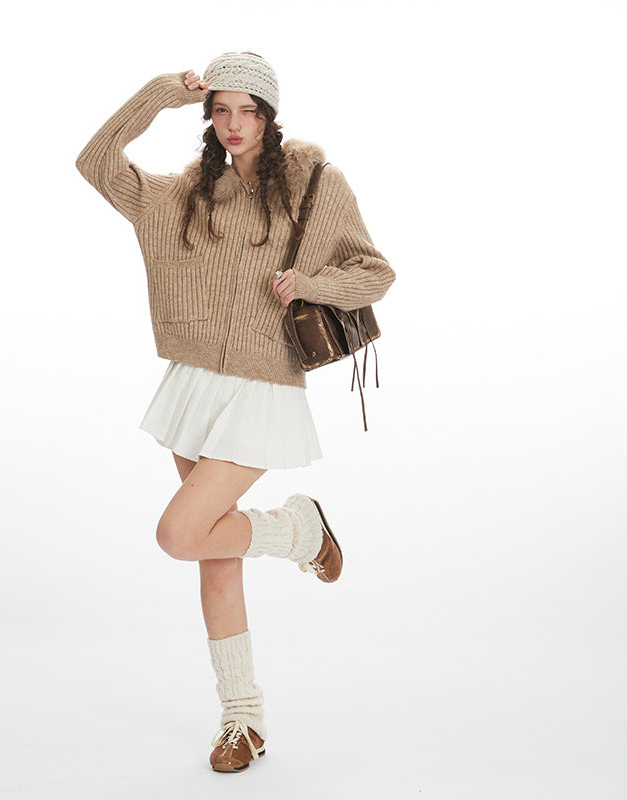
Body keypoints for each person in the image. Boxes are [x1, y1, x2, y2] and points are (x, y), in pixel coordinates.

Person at [75, 51, 395, 773]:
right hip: (193, 384)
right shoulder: (184, 195)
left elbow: (375, 271)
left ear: (269, 117)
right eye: (220, 110)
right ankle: (242, 719)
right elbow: (96, 162)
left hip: (262, 384)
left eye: (248, 111)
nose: (233, 124)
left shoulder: (315, 183)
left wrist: (310, 282)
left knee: (180, 534)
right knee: (213, 555)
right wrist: (162, 92)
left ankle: (297, 531)